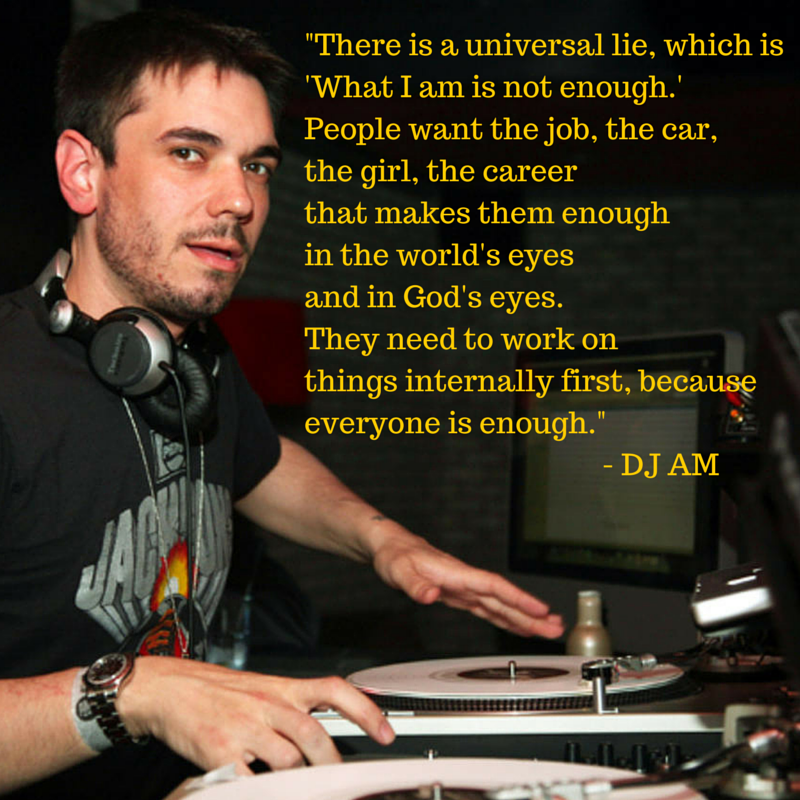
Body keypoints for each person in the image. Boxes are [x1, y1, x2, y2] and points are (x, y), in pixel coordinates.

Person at [0, 9, 563, 799]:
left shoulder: (194, 361)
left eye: (257, 165)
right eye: (190, 152)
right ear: (83, 172)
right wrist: (131, 693)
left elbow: (261, 465)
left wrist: (384, 542)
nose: (239, 199)